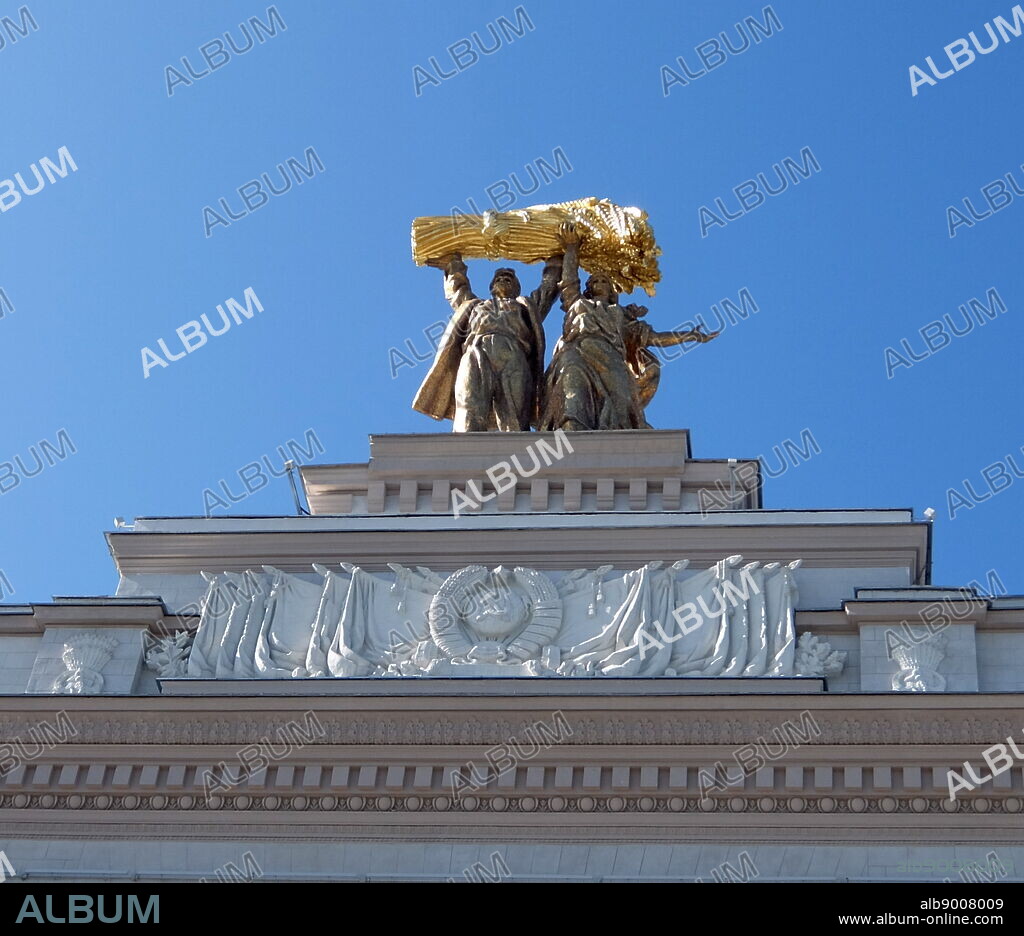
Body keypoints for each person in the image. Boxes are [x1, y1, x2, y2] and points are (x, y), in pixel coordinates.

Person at [541, 223, 718, 431]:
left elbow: (654, 338)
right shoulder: (578, 302)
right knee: (573, 389)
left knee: (623, 403)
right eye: (595, 281)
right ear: (588, 288)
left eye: (604, 281)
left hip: (611, 357)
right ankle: (571, 430)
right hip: (577, 349)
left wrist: (689, 336)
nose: (599, 283)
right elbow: (570, 280)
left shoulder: (622, 315)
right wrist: (572, 248)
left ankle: (621, 444)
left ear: (612, 290)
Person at [413, 252, 562, 432]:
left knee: (515, 411)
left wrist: (556, 260)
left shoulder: (524, 306)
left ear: (517, 289)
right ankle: (464, 444)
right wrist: (453, 262)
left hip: (513, 355)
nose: (503, 280)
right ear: (491, 287)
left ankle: (518, 447)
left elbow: (548, 290)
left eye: (509, 279)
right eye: (499, 278)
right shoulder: (475, 305)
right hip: (477, 352)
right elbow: (458, 289)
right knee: (470, 402)